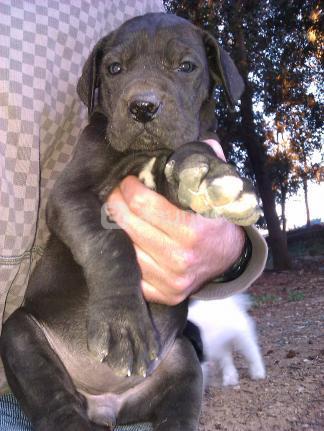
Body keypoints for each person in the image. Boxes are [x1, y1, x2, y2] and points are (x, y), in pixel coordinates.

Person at [0, 1, 267, 430]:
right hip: (47, 361)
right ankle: (62, 419)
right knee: (18, 332)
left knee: (185, 361)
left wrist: (230, 240)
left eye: (183, 66)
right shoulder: (99, 143)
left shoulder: (198, 149)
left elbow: (221, 235)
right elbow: (65, 202)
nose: (142, 93)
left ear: (212, 79)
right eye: (117, 69)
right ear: (97, 88)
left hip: (152, 368)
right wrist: (116, 282)